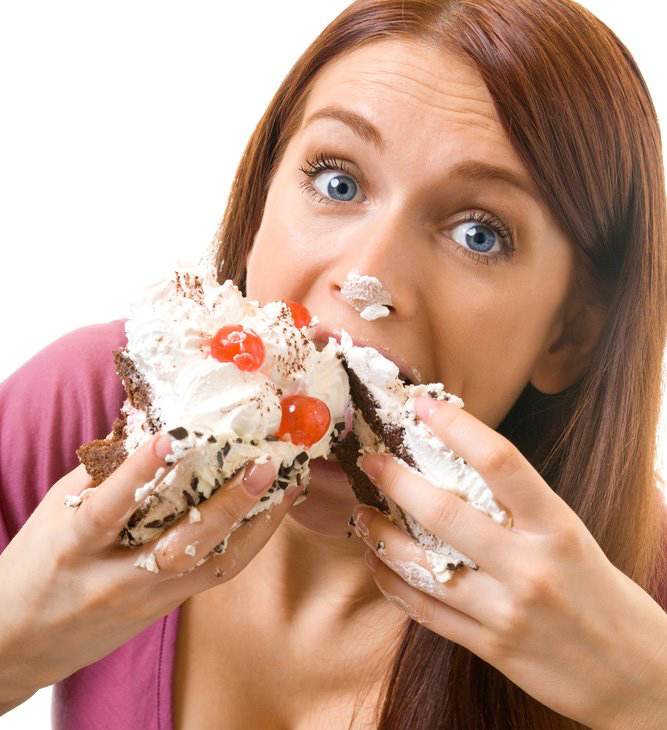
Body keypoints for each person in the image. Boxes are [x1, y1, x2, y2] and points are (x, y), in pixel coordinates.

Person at [1, 0, 666, 727]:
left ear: (568, 336)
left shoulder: (626, 600)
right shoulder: (89, 409)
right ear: (258, 210)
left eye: (478, 233)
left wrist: (645, 696)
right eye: (337, 182)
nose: (367, 278)